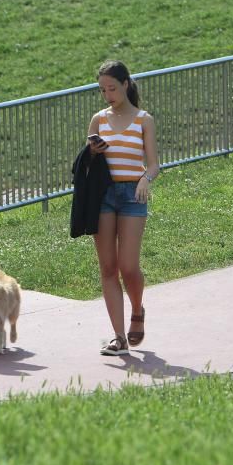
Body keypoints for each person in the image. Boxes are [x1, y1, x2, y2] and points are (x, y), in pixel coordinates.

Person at [82, 60, 159, 356]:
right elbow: (85, 163)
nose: (107, 95)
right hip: (102, 194)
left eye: (112, 88)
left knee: (128, 266)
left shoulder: (144, 119)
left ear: (126, 84)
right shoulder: (98, 119)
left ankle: (137, 309)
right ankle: (118, 336)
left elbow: (153, 164)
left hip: (131, 193)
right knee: (108, 267)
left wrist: (145, 179)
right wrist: (91, 152)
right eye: (102, 90)